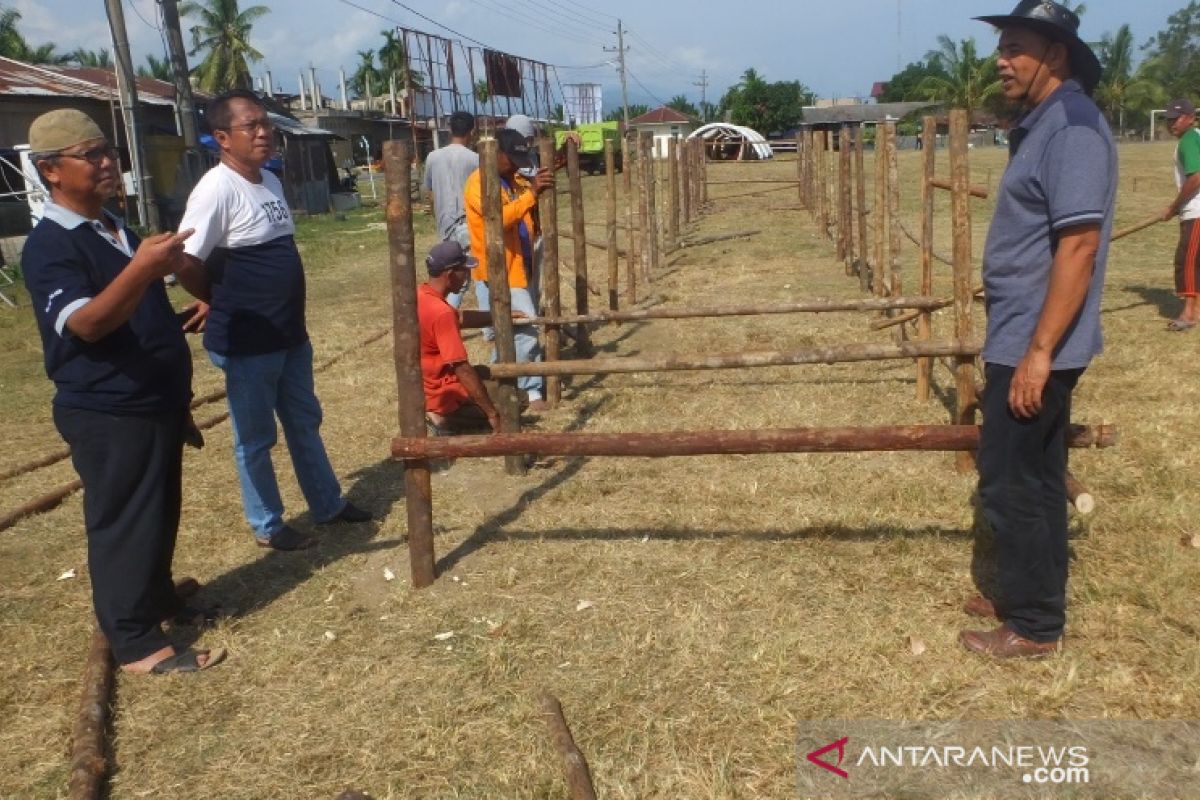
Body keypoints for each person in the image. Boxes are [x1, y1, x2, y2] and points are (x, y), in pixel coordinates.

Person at [22, 109, 224, 674]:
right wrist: (141, 268)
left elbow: (140, 300)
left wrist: (173, 275)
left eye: (108, 151)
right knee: (122, 521)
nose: (109, 163)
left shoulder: (113, 228)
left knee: (157, 510)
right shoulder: (51, 245)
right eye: (92, 155)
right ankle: (135, 642)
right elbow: (85, 324)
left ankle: (157, 599)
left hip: (152, 398)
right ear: (51, 171)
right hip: (107, 406)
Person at [960, 0, 1116, 659]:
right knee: (1040, 474)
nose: (1003, 59)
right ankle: (1030, 595)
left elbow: (1078, 249)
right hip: (1024, 334)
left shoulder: (1072, 129)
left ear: (1054, 54)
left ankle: (1034, 628)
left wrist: (1039, 353)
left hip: (1035, 341)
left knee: (1010, 477)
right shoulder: (1044, 122)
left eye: (1017, 46)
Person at [177, 89, 371, 552]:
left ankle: (328, 504)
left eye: (267, 124)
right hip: (247, 341)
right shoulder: (216, 189)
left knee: (304, 421)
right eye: (252, 126)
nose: (265, 133)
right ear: (223, 137)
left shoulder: (270, 181)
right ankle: (267, 523)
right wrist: (213, 298)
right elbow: (184, 259)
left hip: (287, 333)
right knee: (256, 439)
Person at [463, 129, 555, 412]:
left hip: (520, 265)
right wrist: (532, 194)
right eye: (512, 158)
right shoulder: (479, 183)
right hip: (501, 269)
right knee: (524, 327)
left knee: (516, 329)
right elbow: (498, 218)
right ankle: (517, 387)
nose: (516, 164)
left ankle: (513, 388)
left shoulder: (510, 178)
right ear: (497, 155)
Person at [418, 240, 504, 435]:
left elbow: (459, 317)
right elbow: (462, 368)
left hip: (425, 384)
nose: (467, 275)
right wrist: (492, 413)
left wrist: (498, 315)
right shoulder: (442, 313)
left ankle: (436, 411)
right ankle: (443, 418)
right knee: (514, 398)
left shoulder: (422, 295)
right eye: (464, 270)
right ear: (450, 275)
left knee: (484, 373)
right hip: (441, 391)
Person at [423, 110, 479, 309]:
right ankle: (450, 314)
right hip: (468, 222)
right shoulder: (474, 158)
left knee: (453, 270)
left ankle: (446, 312)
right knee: (473, 272)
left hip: (444, 223)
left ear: (449, 130)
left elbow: (430, 192)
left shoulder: (432, 157)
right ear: (471, 132)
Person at [1161, 98, 1200, 331]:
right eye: (1169, 120)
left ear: (1191, 117)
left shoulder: (1188, 140)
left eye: (1176, 119)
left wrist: (1174, 207)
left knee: (1187, 261)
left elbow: (1196, 176)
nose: (1171, 124)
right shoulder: (1196, 137)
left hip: (1196, 211)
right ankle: (1195, 310)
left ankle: (1188, 314)